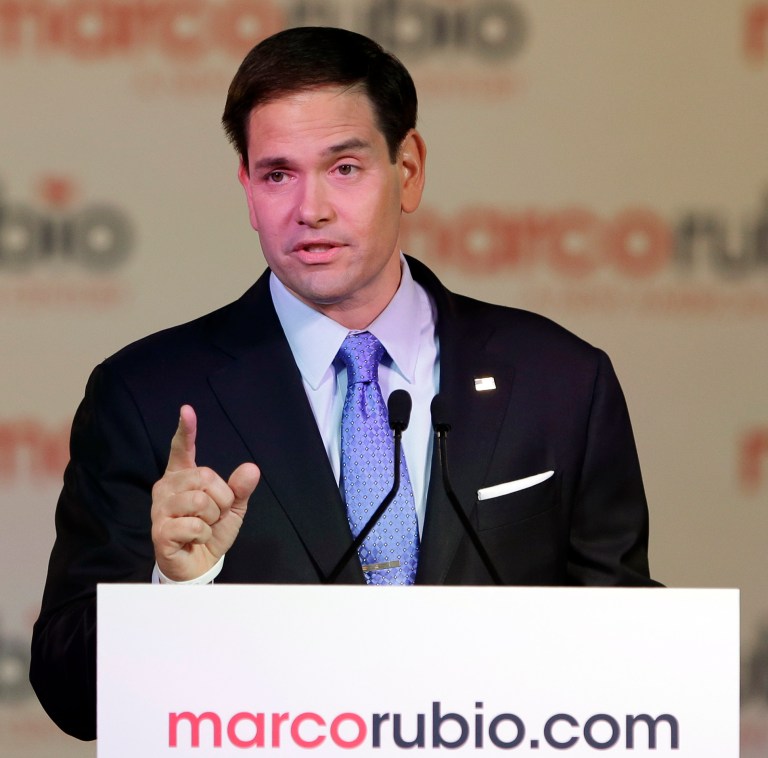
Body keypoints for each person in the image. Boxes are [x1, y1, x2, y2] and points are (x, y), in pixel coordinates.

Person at [30, 26, 658, 741]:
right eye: (277, 174)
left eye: (346, 168)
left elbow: (628, 641)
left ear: (409, 169)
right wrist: (174, 592)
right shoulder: (146, 396)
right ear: (246, 187)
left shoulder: (560, 380)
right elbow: (69, 694)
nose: (311, 209)